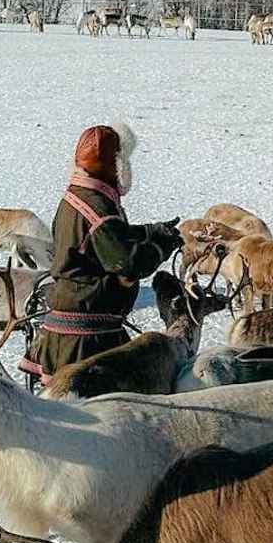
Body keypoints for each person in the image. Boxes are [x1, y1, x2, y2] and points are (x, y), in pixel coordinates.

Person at [19, 123, 184, 385]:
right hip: (89, 337)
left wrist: (150, 231)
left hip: (74, 324)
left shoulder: (76, 196)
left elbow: (108, 239)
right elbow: (127, 262)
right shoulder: (98, 208)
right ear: (117, 164)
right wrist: (160, 246)